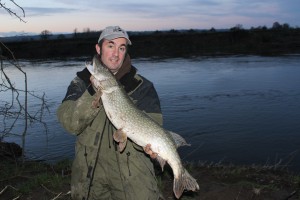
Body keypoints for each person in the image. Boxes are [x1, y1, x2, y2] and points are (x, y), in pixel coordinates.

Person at [57, 26, 163, 200]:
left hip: (134, 177)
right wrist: (92, 91)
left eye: (122, 48)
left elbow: (153, 128)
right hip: (90, 177)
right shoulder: (81, 83)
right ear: (98, 49)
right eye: (110, 46)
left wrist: (151, 148)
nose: (116, 54)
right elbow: (70, 123)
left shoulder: (143, 87)